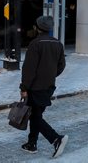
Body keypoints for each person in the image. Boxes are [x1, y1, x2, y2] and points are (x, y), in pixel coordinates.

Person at [19, 15, 68, 158]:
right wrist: (50, 76)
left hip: (35, 87)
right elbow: (61, 66)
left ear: (37, 27)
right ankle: (31, 144)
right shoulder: (58, 44)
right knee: (36, 115)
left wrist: (24, 88)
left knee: (34, 117)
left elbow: (29, 69)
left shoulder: (35, 44)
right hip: (49, 86)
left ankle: (56, 139)